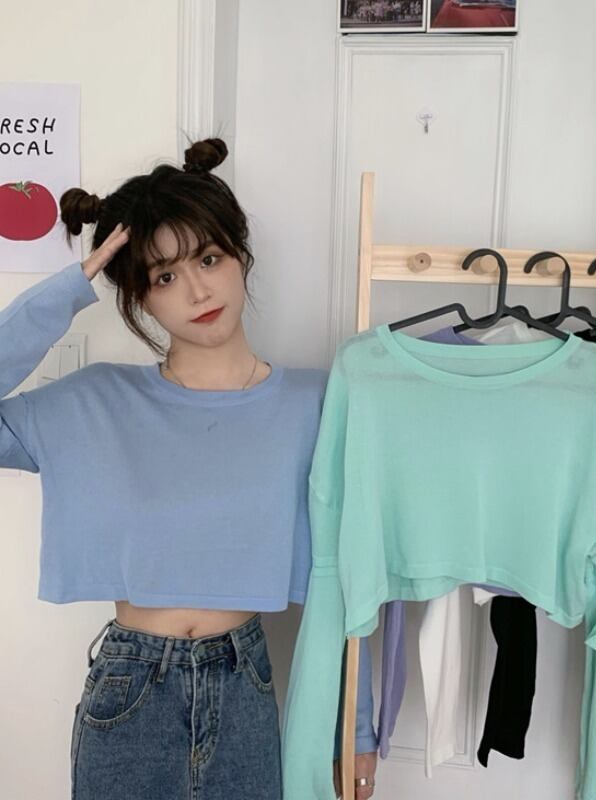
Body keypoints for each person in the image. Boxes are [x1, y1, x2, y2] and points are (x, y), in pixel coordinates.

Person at [0, 137, 378, 799]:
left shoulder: (318, 403)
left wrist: (357, 728)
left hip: (245, 687)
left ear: (240, 255)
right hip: (130, 695)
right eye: (164, 276)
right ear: (140, 298)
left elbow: (353, 571)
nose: (198, 289)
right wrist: (70, 286)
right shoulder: (96, 402)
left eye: (208, 258)